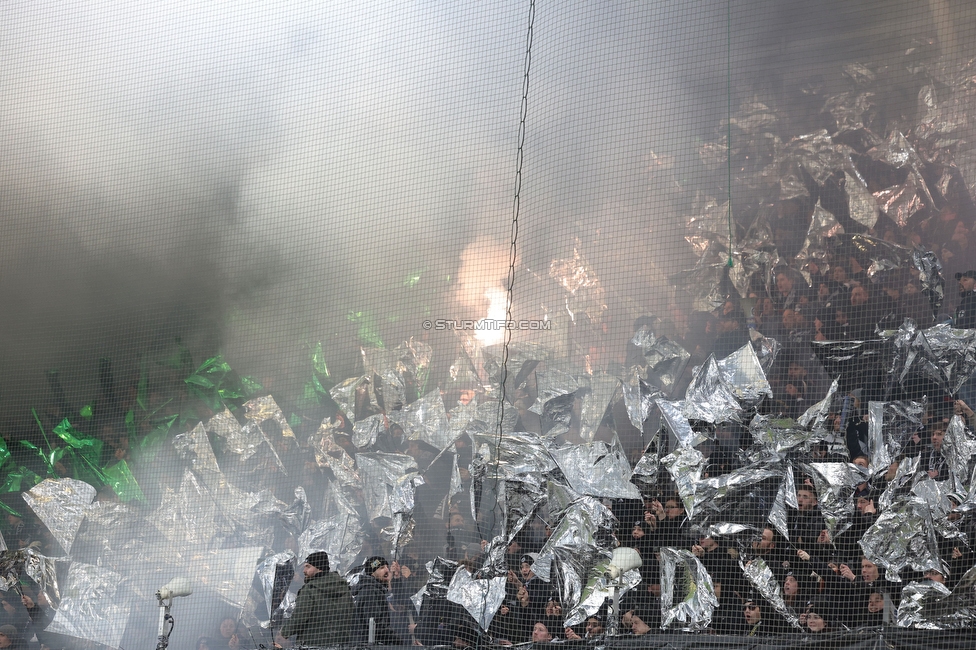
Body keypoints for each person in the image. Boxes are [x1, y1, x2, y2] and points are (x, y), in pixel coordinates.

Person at [280, 551, 355, 646]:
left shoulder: (310, 590)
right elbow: (351, 614)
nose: (304, 571)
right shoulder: (344, 587)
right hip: (340, 644)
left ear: (319, 568)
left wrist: (284, 633)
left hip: (313, 644)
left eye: (308, 566)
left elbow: (300, 617)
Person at [351, 556, 401, 645]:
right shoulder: (370, 591)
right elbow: (374, 625)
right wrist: (395, 640)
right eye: (382, 568)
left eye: (387, 567)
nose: (387, 570)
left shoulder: (376, 590)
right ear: (372, 573)